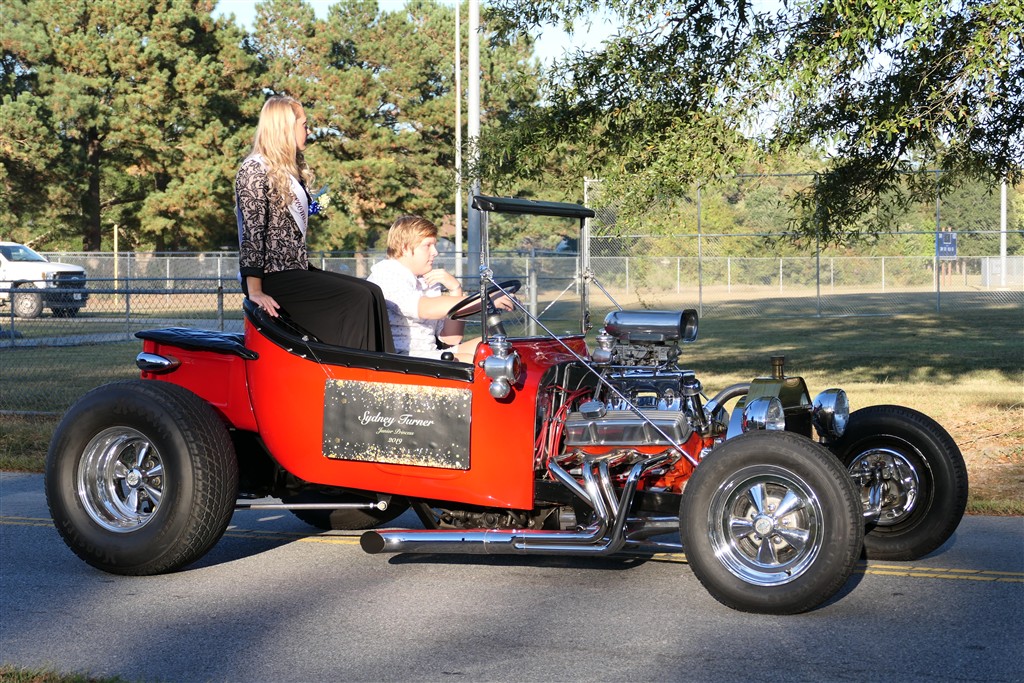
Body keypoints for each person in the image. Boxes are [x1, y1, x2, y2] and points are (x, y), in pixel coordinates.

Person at [235, 95, 393, 351]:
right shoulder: (254, 169)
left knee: (373, 292)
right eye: (304, 125)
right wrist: (255, 291)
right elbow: (253, 233)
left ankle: (382, 367)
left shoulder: (289, 171)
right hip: (270, 277)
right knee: (359, 298)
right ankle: (353, 372)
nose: (309, 131)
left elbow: (299, 216)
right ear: (286, 127)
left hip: (295, 269)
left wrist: (327, 199)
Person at [367, 215, 514, 363]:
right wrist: (485, 301)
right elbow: (425, 308)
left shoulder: (427, 281)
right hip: (401, 359)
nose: (435, 252)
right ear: (404, 248)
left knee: (499, 346)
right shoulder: (388, 274)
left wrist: (455, 289)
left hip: (429, 354)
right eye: (427, 245)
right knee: (480, 363)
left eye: (434, 245)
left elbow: (451, 339)